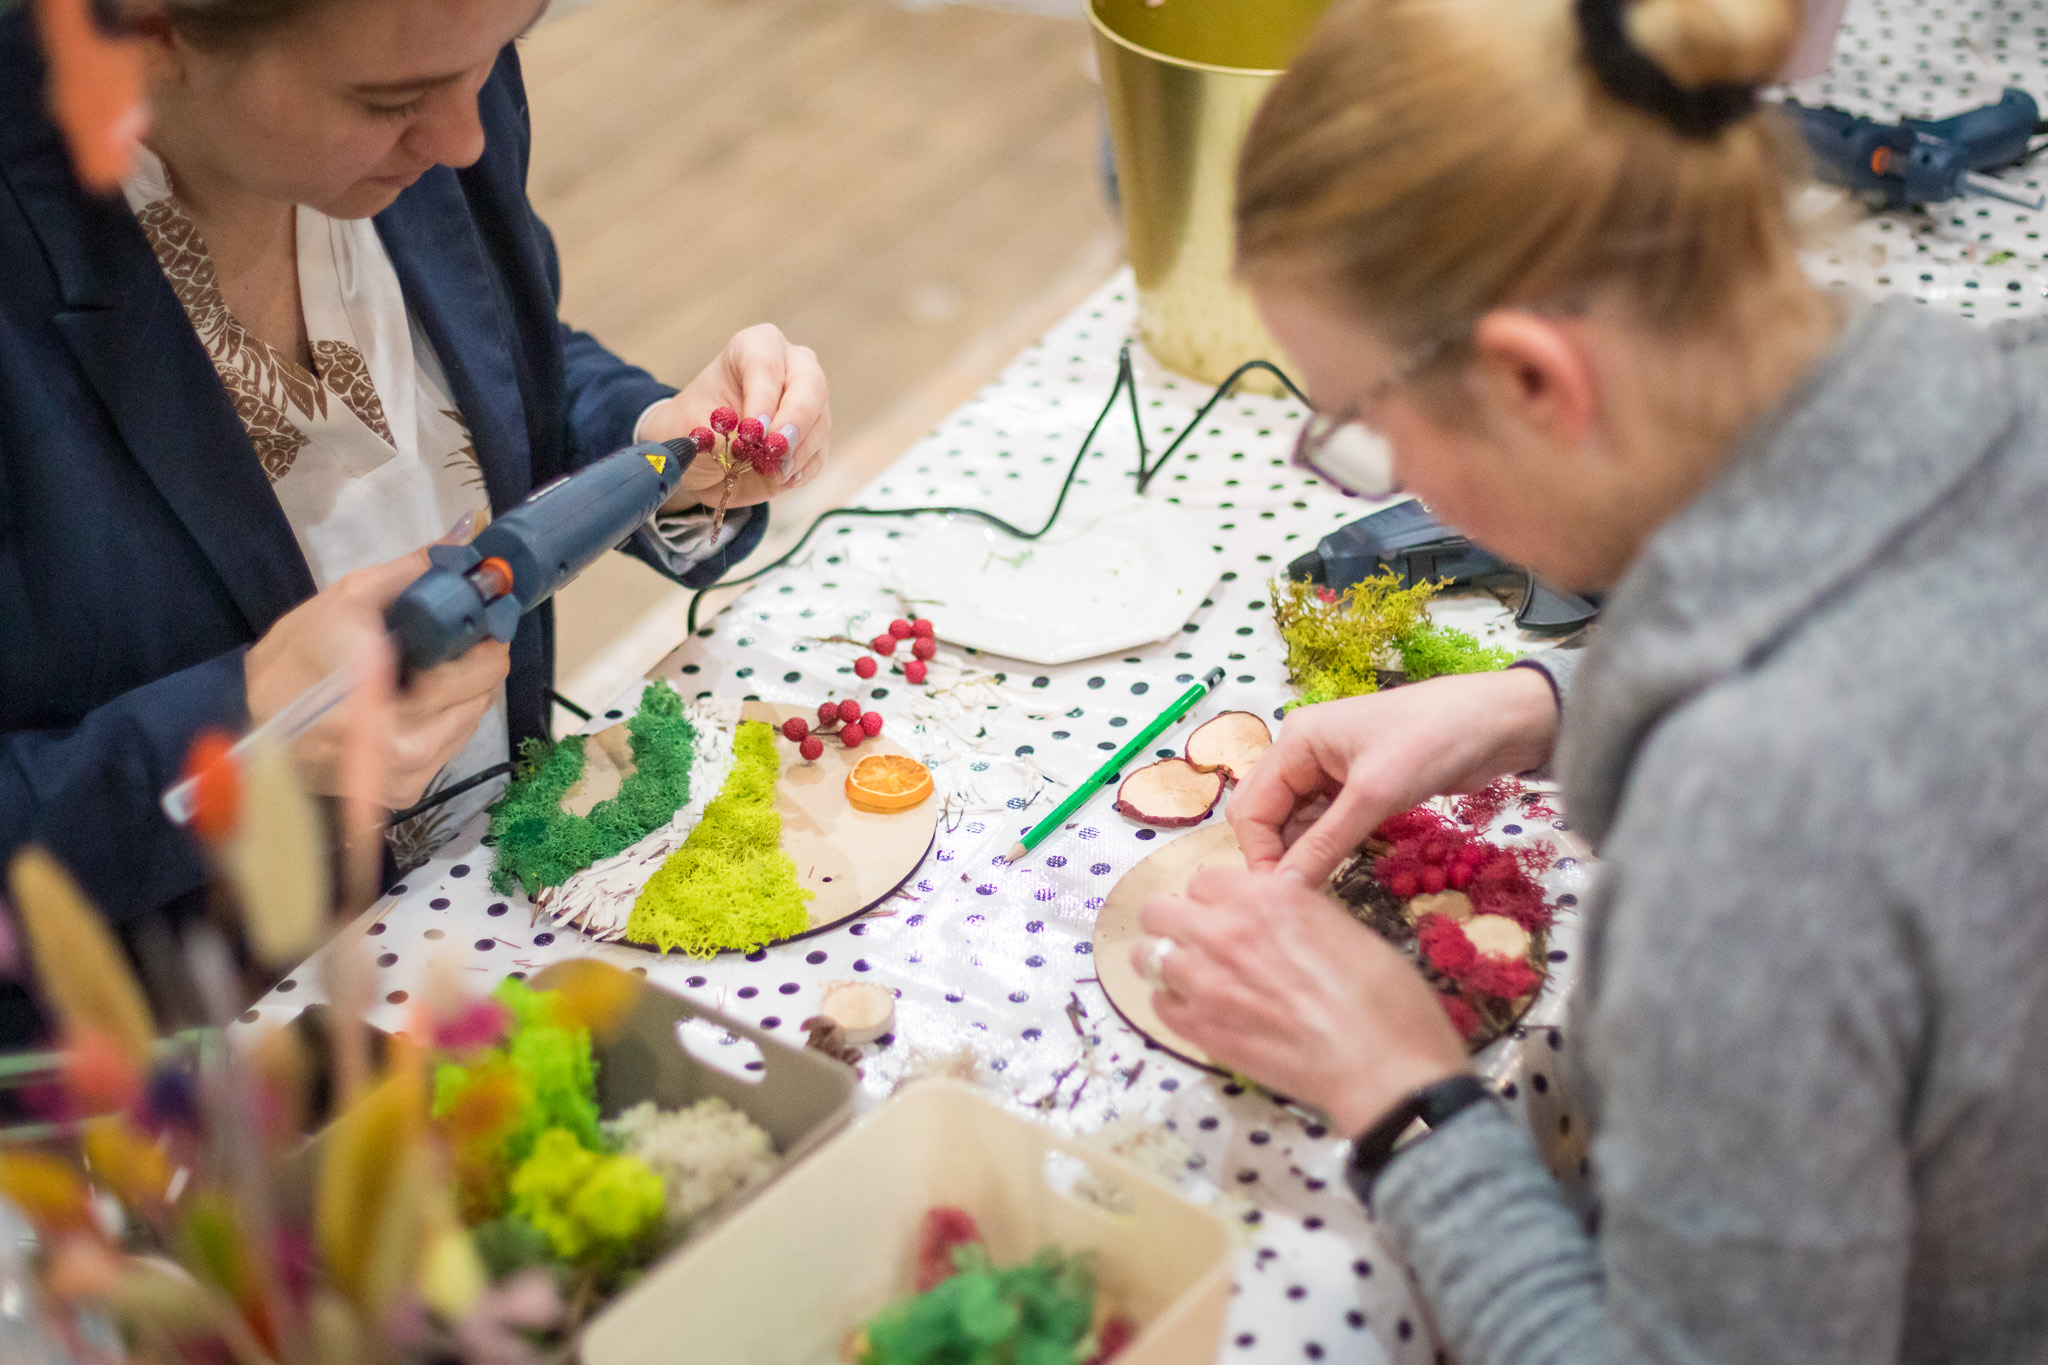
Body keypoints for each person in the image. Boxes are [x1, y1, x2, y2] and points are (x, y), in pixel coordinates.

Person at [1133, 0, 2048, 1359]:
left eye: (1370, 432)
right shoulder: (2005, 386)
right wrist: (1545, 699)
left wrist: (1401, 1092)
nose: (1387, 480)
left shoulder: (1751, 826)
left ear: (1531, 378)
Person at [0, 0, 828, 1036]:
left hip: (485, 914)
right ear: (152, 32)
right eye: (385, 100)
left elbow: (478, 368)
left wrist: (655, 445)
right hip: (187, 1063)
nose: (464, 138)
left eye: (503, 51)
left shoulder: (440, 78)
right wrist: (235, 730)